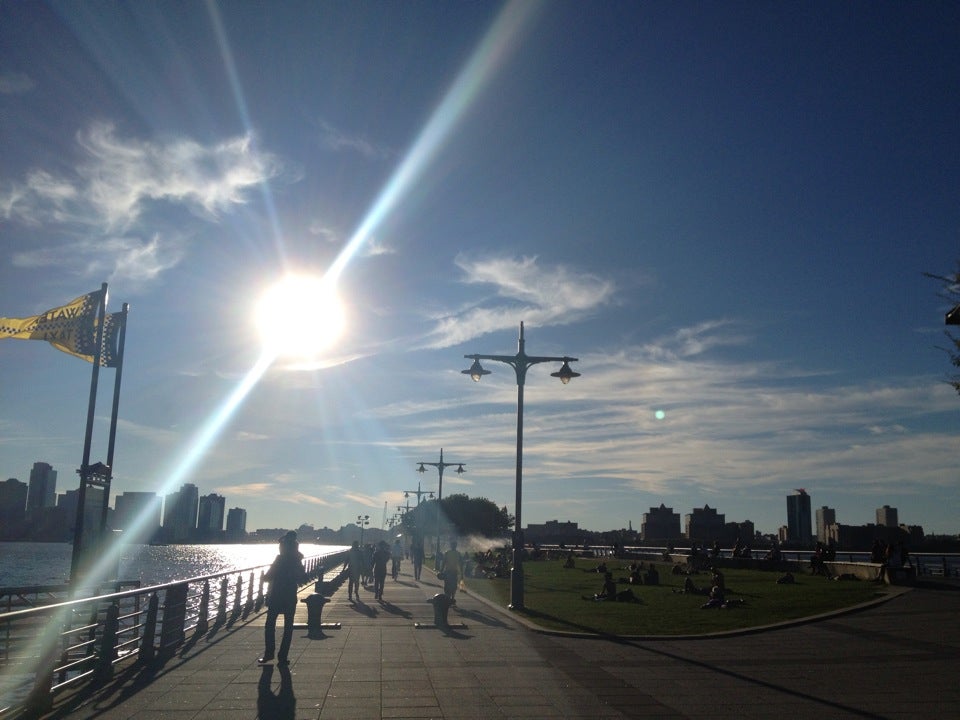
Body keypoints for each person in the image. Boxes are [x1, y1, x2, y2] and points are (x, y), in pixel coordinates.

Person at [259, 531, 305, 665]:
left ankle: (269, 653)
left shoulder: (280, 560)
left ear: (284, 547)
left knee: (270, 625)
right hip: (290, 595)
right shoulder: (297, 560)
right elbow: (302, 577)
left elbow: (268, 577)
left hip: (277, 595)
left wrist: (263, 577)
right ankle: (283, 656)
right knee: (288, 626)